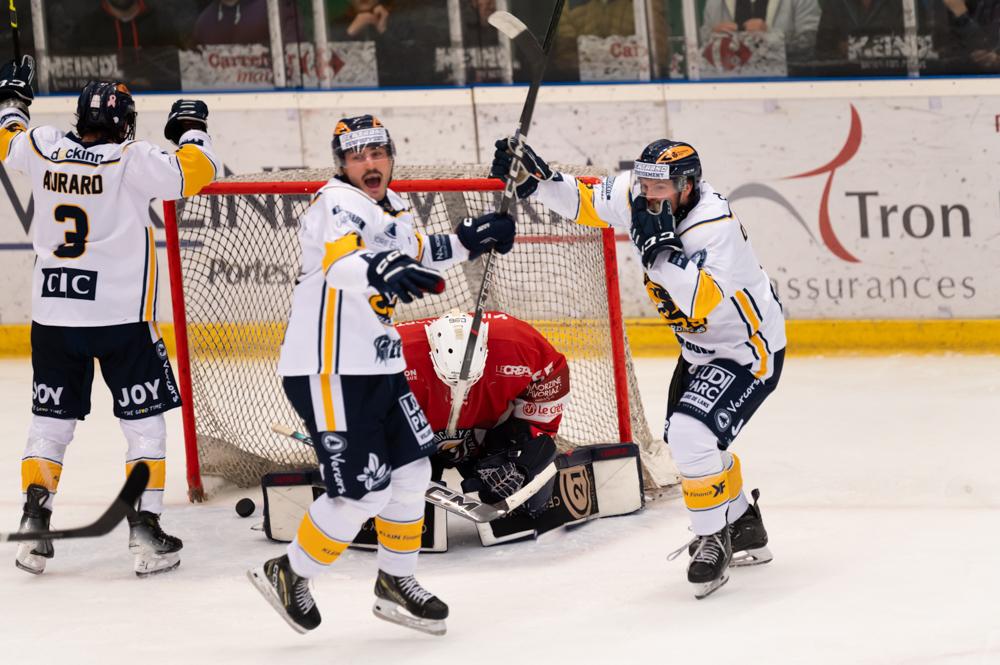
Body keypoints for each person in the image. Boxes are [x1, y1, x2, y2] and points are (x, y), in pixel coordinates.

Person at [247, 115, 516, 635]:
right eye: (356, 156)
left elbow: (421, 251)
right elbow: (340, 264)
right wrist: (378, 268)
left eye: (377, 153)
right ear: (342, 165)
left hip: (379, 366)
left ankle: (395, 582)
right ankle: (289, 571)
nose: (369, 164)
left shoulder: (390, 207)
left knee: (414, 474)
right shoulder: (335, 204)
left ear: (390, 157)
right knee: (363, 493)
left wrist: (471, 238)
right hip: (331, 371)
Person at [490, 136, 786, 599]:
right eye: (645, 184)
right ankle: (743, 522)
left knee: (692, 437)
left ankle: (713, 536)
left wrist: (657, 249)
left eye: (661, 187)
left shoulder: (714, 227)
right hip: (699, 352)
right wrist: (538, 182)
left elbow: (697, 300)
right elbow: (587, 202)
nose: (649, 195)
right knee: (691, 444)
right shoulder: (639, 194)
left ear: (689, 186)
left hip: (748, 351)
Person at [0, 57, 217, 576]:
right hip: (122, 321)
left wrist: (12, 100)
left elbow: (8, 137)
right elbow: (196, 173)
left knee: (49, 424)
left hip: (54, 318)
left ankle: (35, 522)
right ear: (125, 123)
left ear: (79, 119)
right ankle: (144, 530)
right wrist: (191, 129)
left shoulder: (42, 145)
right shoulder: (131, 158)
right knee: (143, 427)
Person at [397, 310, 568, 517]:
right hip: (412, 444)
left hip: (487, 439)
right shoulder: (393, 356)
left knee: (530, 484)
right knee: (394, 500)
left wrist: (522, 464)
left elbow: (550, 376)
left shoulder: (519, 344)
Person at [699, 0, 821, 60]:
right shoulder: (715, 2)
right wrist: (712, 36)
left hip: (787, 86)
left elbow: (811, 44)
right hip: (728, 88)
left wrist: (769, 36)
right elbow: (697, 51)